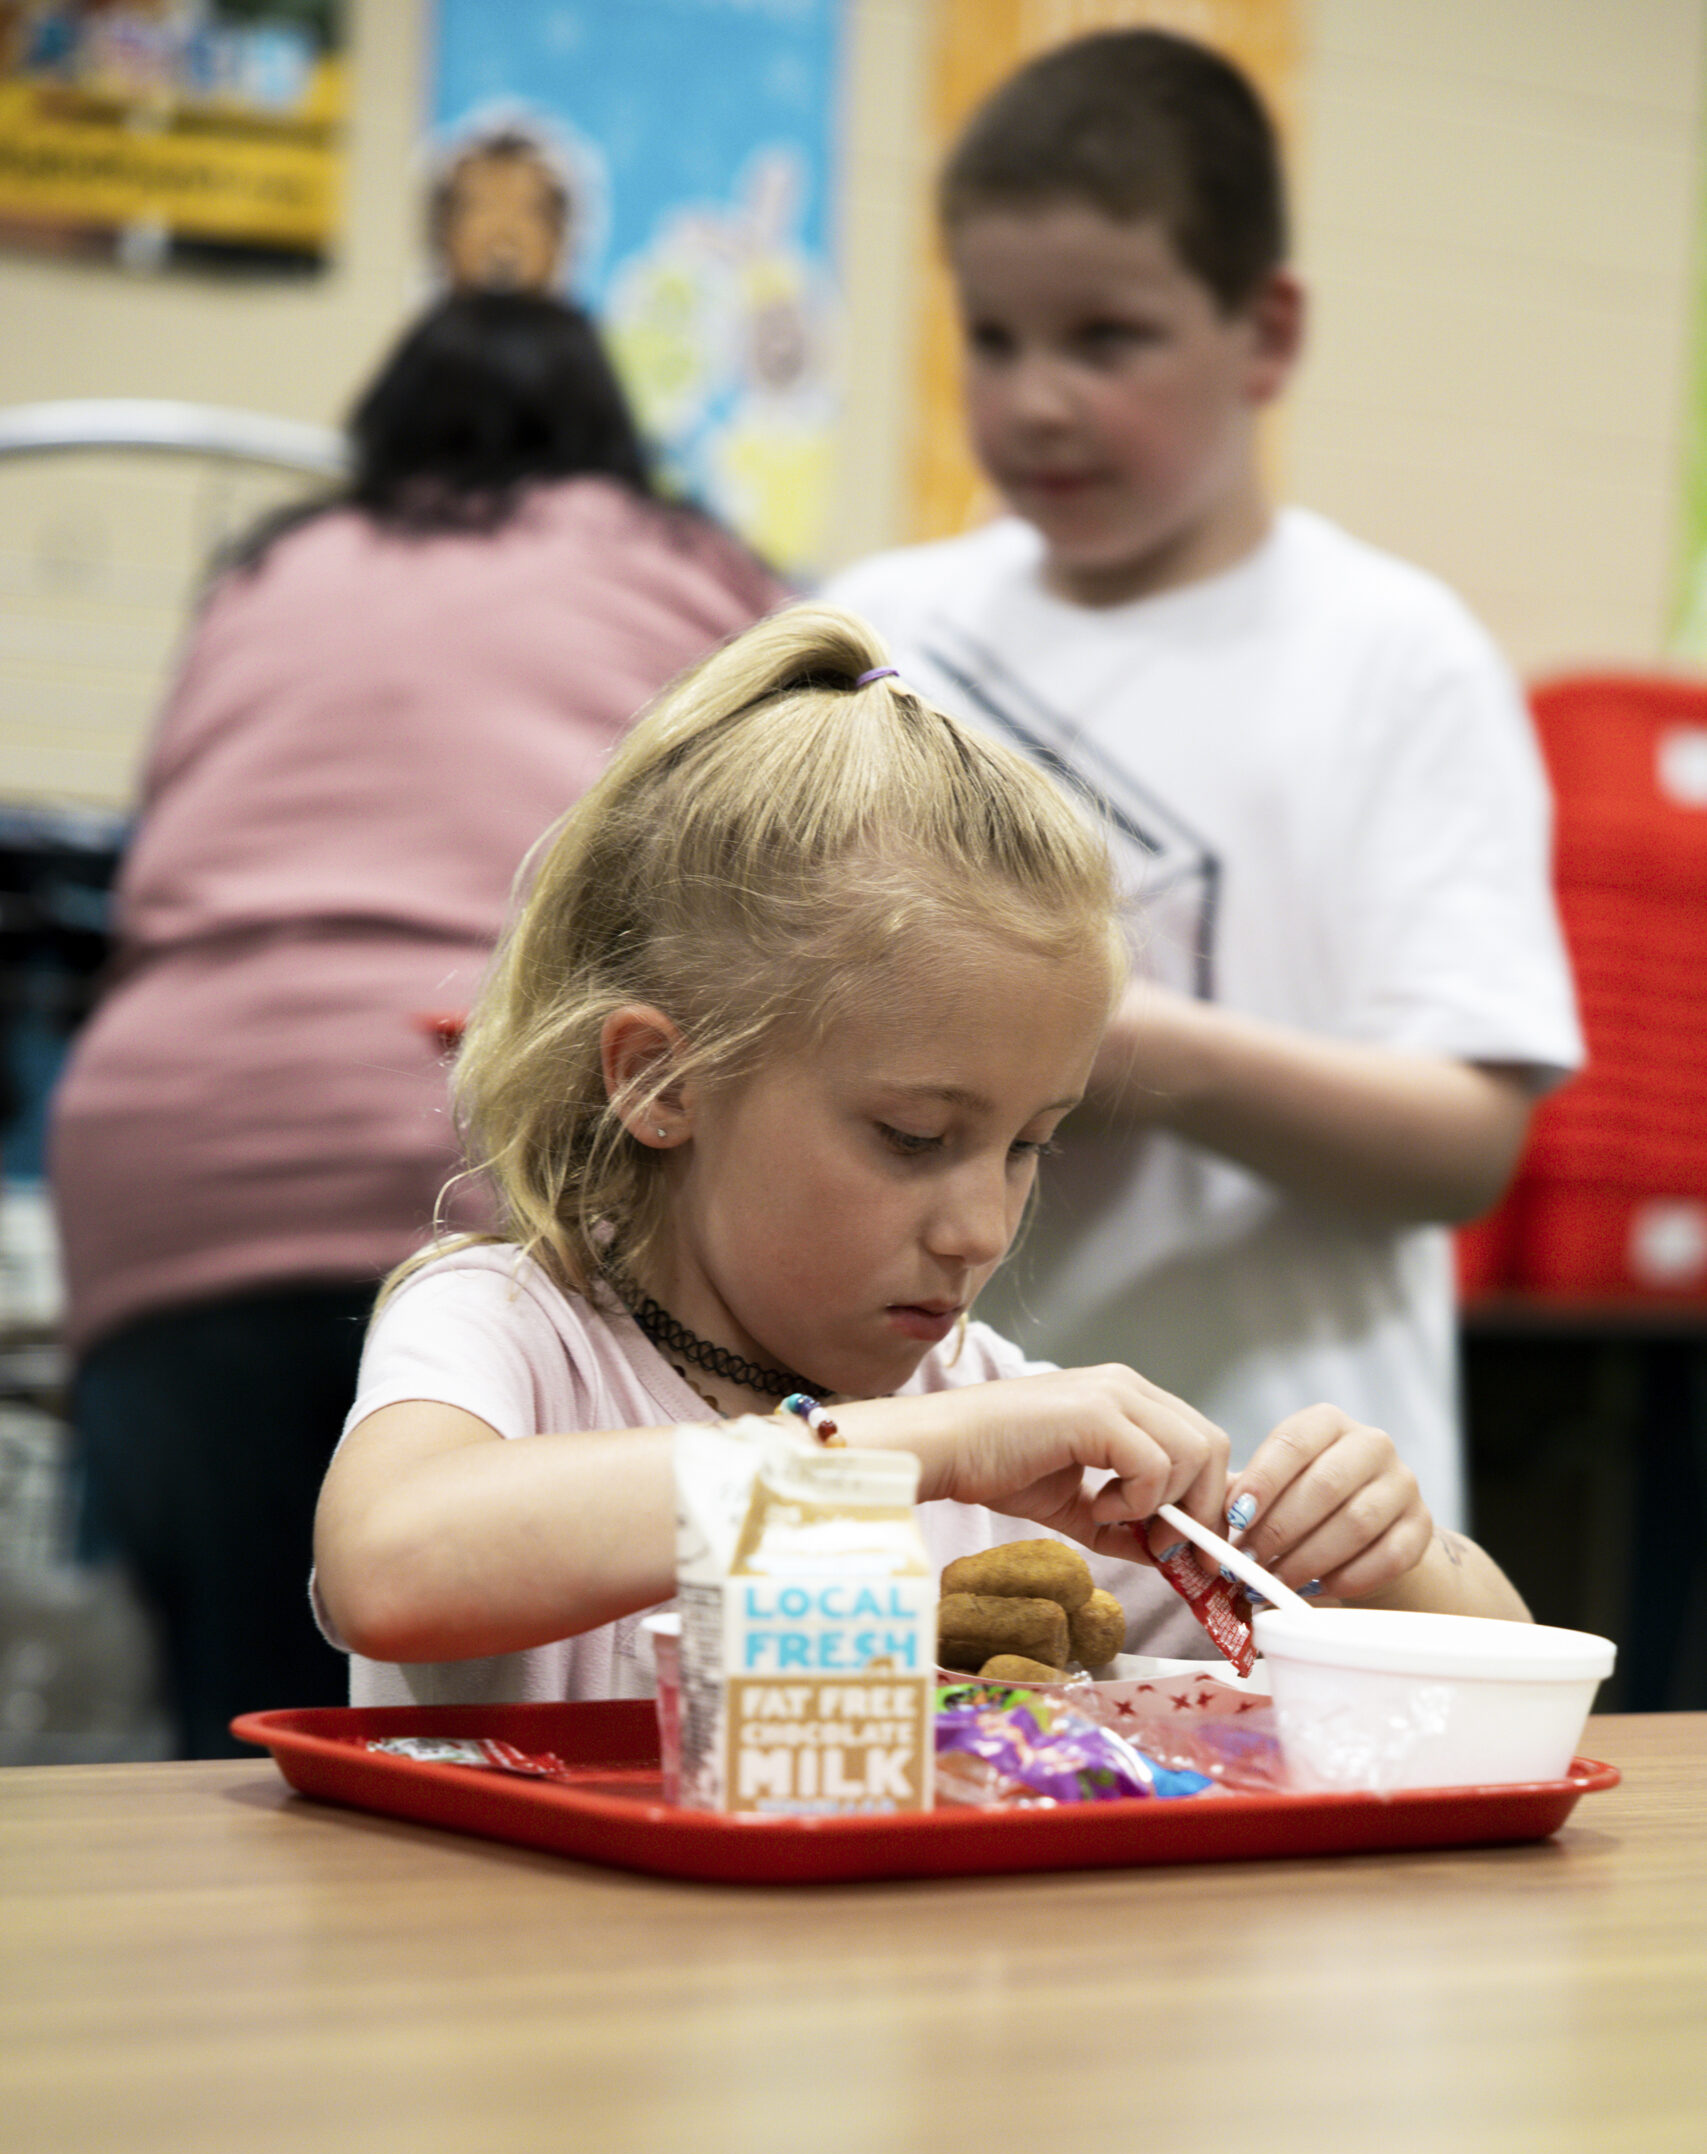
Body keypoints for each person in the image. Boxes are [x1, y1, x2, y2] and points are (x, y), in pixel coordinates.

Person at [312, 600, 1527, 1732]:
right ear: (660, 1082)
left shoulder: (983, 1412)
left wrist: (1396, 1552)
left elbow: (1497, 1682)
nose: (982, 1229)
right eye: (912, 1137)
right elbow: (393, 1567)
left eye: (1028, 1146)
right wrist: (908, 1453)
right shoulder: (509, 1327)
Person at [823, 28, 1583, 1532]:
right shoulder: (871, 623)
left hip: (1285, 1505)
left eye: (1103, 338)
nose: (1033, 399)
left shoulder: (1392, 655)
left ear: (1265, 332)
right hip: (926, 1514)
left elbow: (1463, 1140)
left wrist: (1119, 1045)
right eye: (990, 337)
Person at [48, 288, 786, 1758]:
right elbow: (802, 866)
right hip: (480, 1148)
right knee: (541, 1754)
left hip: (171, 1164)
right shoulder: (692, 572)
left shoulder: (270, 571)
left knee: (239, 1746)